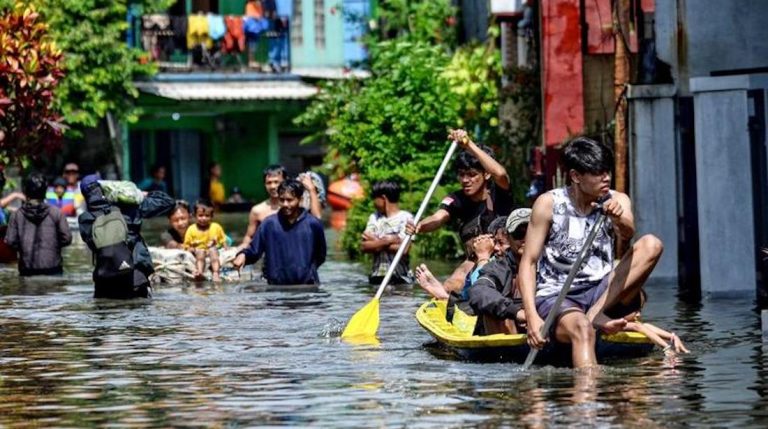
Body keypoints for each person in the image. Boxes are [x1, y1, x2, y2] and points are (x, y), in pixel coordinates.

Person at [519, 137, 664, 369]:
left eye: (607, 171)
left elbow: (627, 232)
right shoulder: (548, 204)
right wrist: (532, 317)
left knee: (651, 244)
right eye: (597, 173)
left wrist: (618, 217)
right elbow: (528, 262)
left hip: (602, 293)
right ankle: (586, 403)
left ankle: (595, 315)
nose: (606, 177)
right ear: (576, 176)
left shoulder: (617, 199)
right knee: (583, 330)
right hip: (558, 295)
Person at [407, 128, 513, 294]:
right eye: (461, 175)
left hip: (502, 259)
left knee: (468, 284)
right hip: (473, 260)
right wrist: (419, 226)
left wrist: (468, 144)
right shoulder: (457, 199)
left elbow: (500, 173)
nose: (465, 180)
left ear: (485, 175)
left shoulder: (499, 193)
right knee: (452, 285)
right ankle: (446, 298)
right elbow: (438, 217)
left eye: (471, 175)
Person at [79, 174, 175, 299]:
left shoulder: (85, 219)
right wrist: (140, 194)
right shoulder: (130, 207)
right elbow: (168, 202)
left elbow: (94, 244)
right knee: (137, 315)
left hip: (105, 278)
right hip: (135, 276)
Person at [233, 179, 326, 285]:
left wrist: (306, 271)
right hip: (276, 289)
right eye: (282, 200)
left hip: (307, 288)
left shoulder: (313, 224)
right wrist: (243, 255)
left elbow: (321, 255)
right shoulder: (269, 224)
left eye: (290, 200)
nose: (285, 204)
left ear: (300, 199)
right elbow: (254, 250)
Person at [464, 209, 532, 335]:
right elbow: (479, 291)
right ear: (510, 237)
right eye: (518, 234)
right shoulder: (498, 266)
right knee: (492, 312)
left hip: (545, 328)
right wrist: (516, 312)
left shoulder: (554, 262)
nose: (524, 239)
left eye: (530, 233)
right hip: (511, 338)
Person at [5, 172, 72, 276]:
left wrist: (23, 246)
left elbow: (10, 242)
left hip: (27, 271)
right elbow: (67, 239)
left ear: (25, 191)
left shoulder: (16, 215)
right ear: (45, 192)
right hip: (53, 269)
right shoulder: (56, 213)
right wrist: (52, 244)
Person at [240, 165, 322, 248]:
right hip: (272, 255)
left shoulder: (298, 205)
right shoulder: (257, 210)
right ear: (264, 184)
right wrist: (239, 252)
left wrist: (311, 190)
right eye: (269, 183)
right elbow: (249, 237)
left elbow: (316, 220)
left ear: (285, 181)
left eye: (276, 182)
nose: (273, 186)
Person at [361, 181, 414, 285]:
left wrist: (376, 242)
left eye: (374, 198)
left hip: (400, 279)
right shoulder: (374, 218)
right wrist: (388, 240)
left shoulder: (406, 218)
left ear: (383, 199)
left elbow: (404, 250)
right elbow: (364, 247)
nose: (373, 202)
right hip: (377, 278)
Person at [184, 199, 227, 282]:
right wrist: (193, 249)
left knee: (213, 250)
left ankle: (215, 273)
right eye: (200, 215)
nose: (203, 218)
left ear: (212, 216)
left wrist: (227, 249)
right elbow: (186, 246)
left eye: (207, 216)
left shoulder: (216, 227)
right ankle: (200, 272)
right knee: (200, 252)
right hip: (199, 251)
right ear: (195, 215)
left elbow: (223, 241)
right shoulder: (191, 229)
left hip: (212, 250)